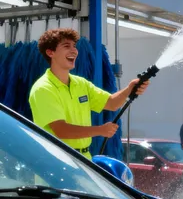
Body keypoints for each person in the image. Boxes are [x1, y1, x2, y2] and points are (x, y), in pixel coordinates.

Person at [28, 28, 149, 156]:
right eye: (66, 46)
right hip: (55, 160)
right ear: (50, 52)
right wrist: (100, 130)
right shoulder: (43, 88)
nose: (74, 50)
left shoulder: (81, 84)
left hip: (84, 159)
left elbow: (112, 103)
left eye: (74, 46)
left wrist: (129, 88)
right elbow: (61, 130)